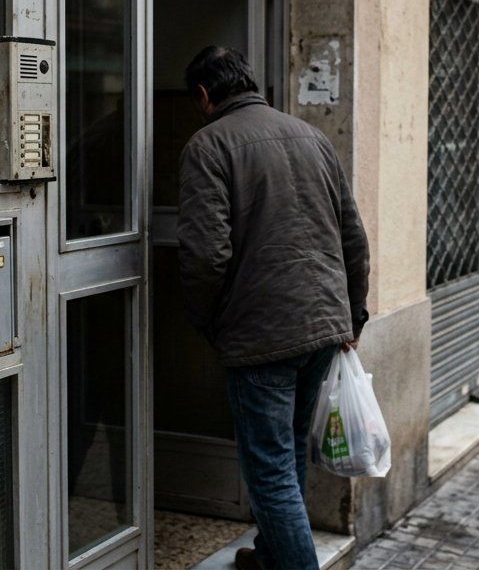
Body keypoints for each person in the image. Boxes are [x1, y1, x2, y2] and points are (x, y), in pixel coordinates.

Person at [177, 46, 370, 570]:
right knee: (285, 459)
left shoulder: (207, 145)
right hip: (322, 327)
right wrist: (353, 316)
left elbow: (204, 255)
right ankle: (269, 556)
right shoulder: (313, 137)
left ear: (202, 94)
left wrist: (208, 322)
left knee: (270, 470)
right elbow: (353, 236)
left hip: (262, 335)